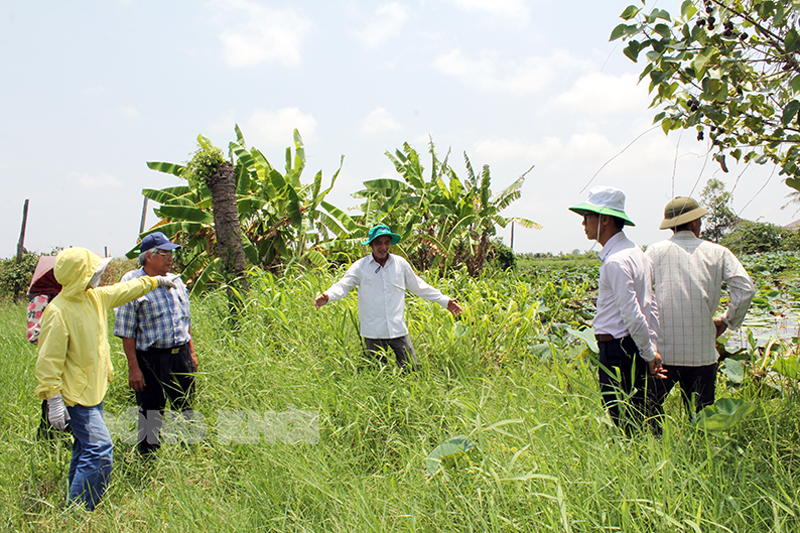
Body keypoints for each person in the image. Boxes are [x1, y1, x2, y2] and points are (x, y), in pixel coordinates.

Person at [35, 247, 174, 511]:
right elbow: (48, 361)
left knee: (84, 450)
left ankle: (72, 504)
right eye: (93, 271)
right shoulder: (58, 312)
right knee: (99, 450)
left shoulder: (94, 298)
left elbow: (125, 290)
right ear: (79, 275)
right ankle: (78, 513)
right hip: (74, 395)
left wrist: (157, 281)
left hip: (93, 390)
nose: (98, 275)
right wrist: (53, 399)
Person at [645, 196, 755, 424]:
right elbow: (746, 289)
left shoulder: (655, 252)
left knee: (648, 408)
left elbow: (640, 293)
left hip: (663, 351)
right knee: (702, 418)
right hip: (702, 353)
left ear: (671, 226)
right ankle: (698, 454)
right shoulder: (718, 252)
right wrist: (727, 320)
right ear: (695, 223)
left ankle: (655, 447)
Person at [569, 186, 665, 435]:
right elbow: (650, 305)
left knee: (624, 421)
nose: (583, 223)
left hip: (618, 350)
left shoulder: (615, 261)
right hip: (634, 347)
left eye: (588, 216)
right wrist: (651, 347)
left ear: (605, 219)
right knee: (643, 414)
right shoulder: (637, 253)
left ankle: (636, 464)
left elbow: (632, 313)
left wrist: (648, 352)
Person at [314, 224, 462, 370]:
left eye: (386, 243)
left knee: (412, 368)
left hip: (397, 328)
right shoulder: (360, 267)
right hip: (373, 331)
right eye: (378, 243)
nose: (383, 247)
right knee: (376, 373)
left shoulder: (400, 264)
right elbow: (343, 285)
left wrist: (444, 301)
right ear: (371, 245)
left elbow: (419, 286)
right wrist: (328, 296)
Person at [114, 231, 197, 455]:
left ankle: (187, 454)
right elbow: (126, 330)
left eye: (171, 253)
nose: (170, 258)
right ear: (148, 256)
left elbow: (185, 319)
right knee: (151, 411)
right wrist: (134, 368)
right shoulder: (132, 284)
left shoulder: (177, 282)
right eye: (165, 253)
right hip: (150, 358)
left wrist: (191, 353)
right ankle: (148, 460)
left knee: (185, 406)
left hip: (180, 356)